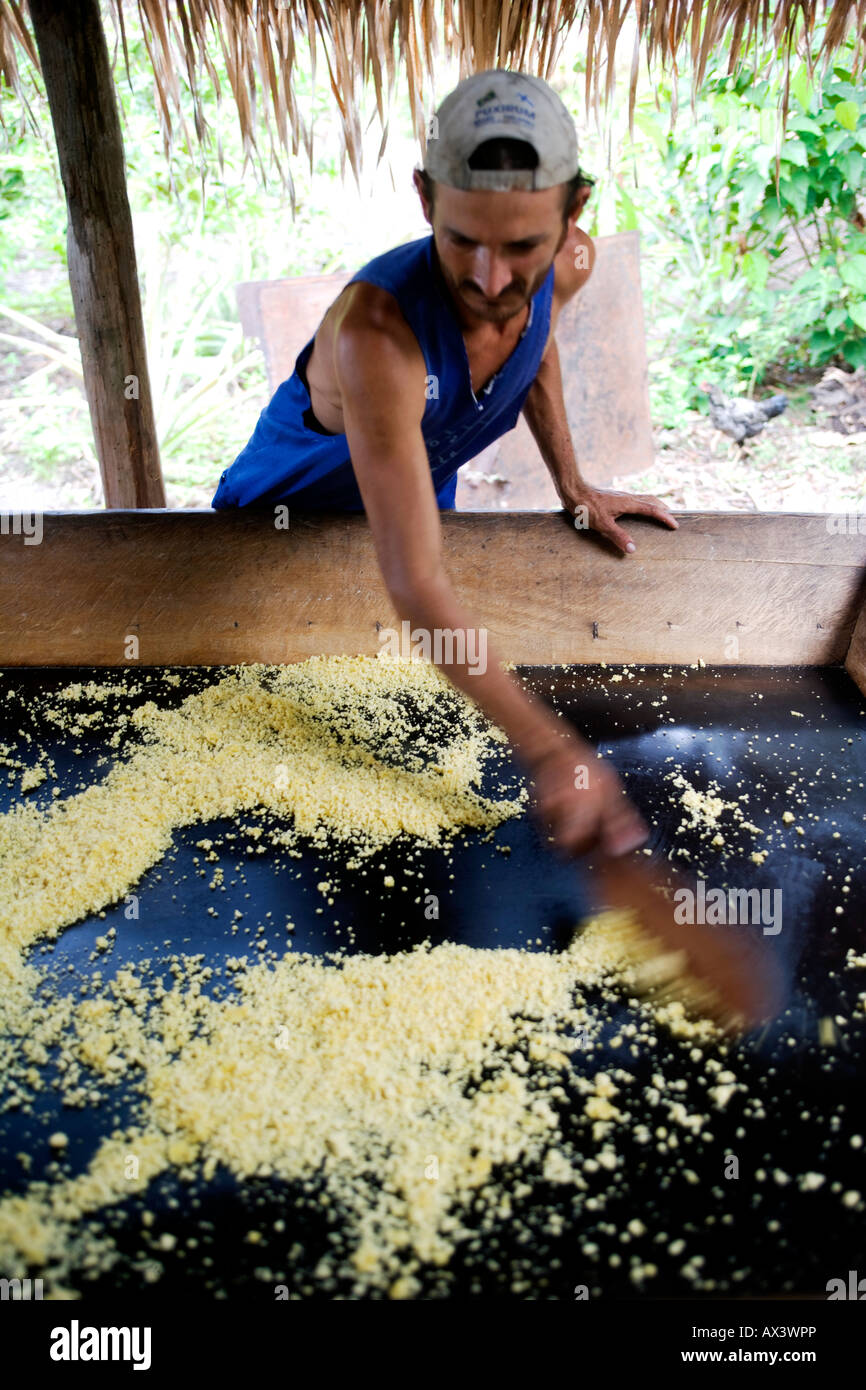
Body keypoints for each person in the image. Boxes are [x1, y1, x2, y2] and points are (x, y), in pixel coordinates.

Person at [213, 69, 679, 857]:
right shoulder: (378, 335)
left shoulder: (572, 264)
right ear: (426, 199)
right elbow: (416, 584)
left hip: (411, 501)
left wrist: (572, 484)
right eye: (461, 239)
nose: (489, 280)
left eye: (523, 245)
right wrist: (554, 749)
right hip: (279, 534)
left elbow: (537, 343)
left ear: (574, 216)